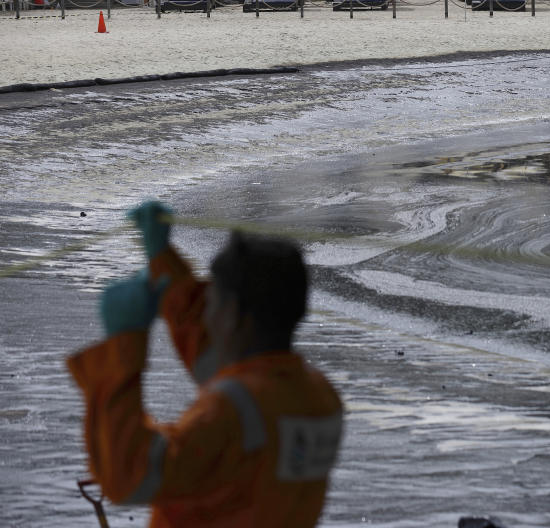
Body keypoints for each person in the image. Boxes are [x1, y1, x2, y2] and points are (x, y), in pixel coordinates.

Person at [67, 201, 344, 527]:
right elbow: (224, 358)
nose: (207, 315)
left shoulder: (233, 412)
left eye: (212, 301)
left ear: (234, 316)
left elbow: (131, 475)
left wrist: (123, 344)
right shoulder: (316, 394)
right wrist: (162, 258)